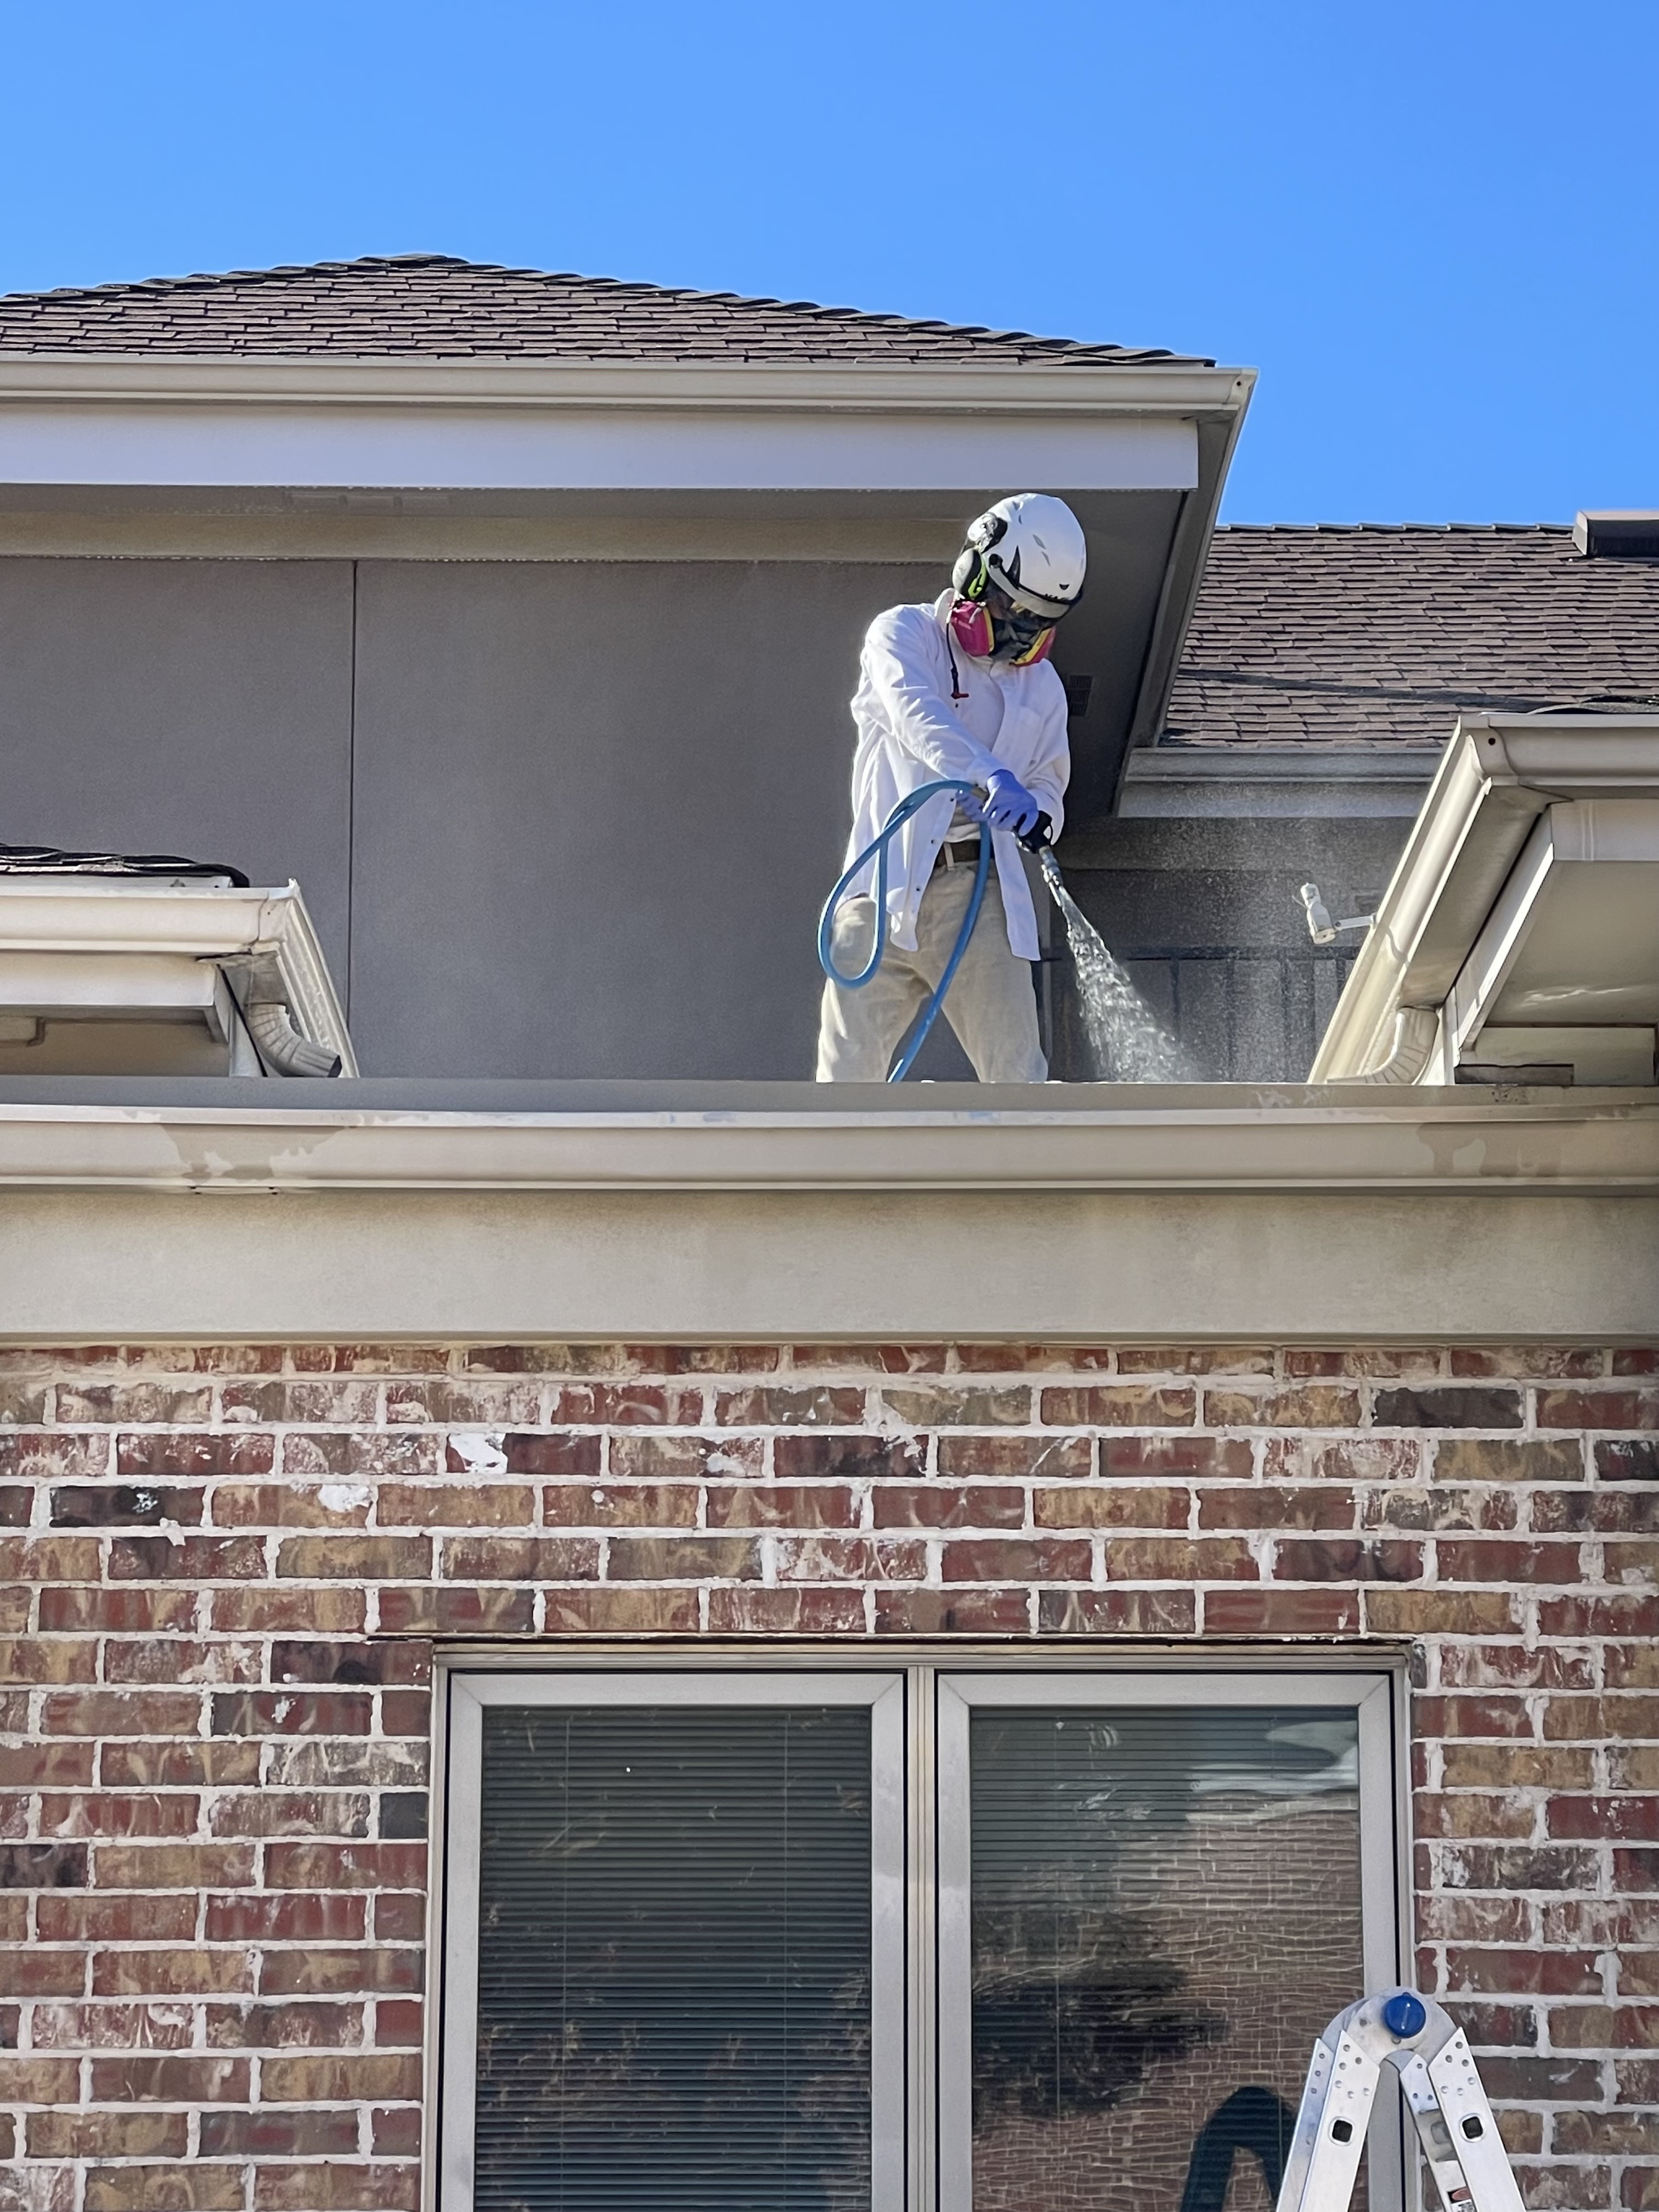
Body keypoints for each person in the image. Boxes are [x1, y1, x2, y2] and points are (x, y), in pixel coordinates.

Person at [815, 492, 1086, 1082]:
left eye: (1036, 620)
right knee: (842, 1088)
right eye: (1012, 610)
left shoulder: (1043, 690)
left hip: (978, 894)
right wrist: (989, 774)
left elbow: (1048, 785)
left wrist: (1036, 810)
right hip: (881, 890)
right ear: (975, 573)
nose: (1021, 633)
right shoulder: (903, 636)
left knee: (1018, 1079)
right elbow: (919, 717)